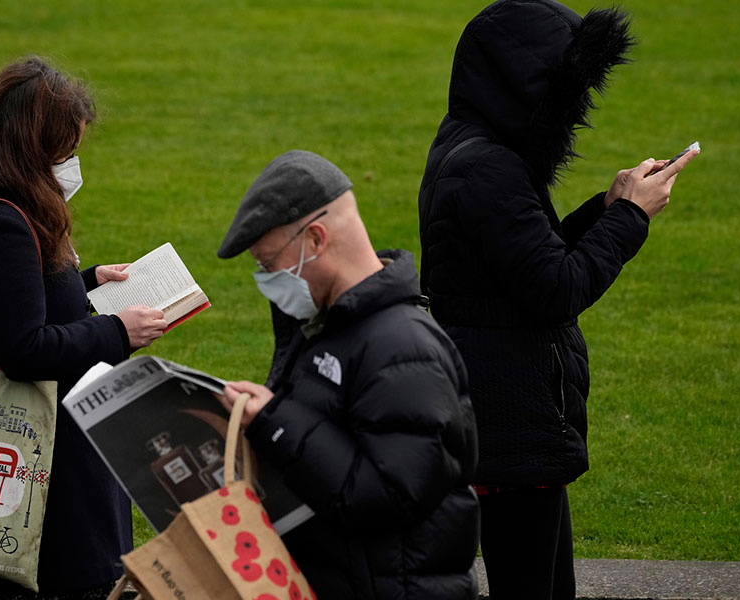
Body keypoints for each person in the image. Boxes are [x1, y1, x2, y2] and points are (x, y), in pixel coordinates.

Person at [416, 1, 699, 598]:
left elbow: (523, 261)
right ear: (527, 82)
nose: (573, 107)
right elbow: (557, 288)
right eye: (564, 87)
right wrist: (629, 219)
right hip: (510, 421)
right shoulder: (489, 168)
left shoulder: (474, 146)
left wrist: (605, 207)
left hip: (501, 413)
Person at [0, 56, 168, 598]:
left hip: (10, 464)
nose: (69, 164)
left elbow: (0, 302)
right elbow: (22, 348)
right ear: (32, 147)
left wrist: (88, 282)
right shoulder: (2, 220)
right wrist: (118, 330)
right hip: (39, 478)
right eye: (64, 151)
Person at [215, 150, 480, 600]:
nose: (266, 279)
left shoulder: (403, 347)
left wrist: (275, 422)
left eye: (268, 262)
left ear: (316, 239)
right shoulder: (327, 325)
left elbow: (390, 495)